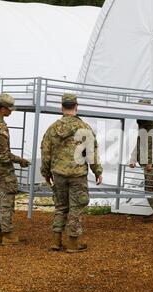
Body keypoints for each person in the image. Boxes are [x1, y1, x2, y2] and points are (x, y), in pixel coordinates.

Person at [41, 93, 103, 253]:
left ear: (62, 107)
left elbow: (45, 152)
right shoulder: (84, 128)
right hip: (77, 174)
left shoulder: (52, 128)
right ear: (76, 106)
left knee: (61, 206)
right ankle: (73, 243)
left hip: (59, 174)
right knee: (76, 207)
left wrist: (46, 172)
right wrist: (97, 171)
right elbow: (92, 153)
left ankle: (56, 241)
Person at [0, 93, 31, 246]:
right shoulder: (0, 127)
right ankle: (7, 235)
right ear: (2, 109)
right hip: (3, 170)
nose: (11, 111)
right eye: (9, 109)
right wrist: (20, 160)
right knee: (7, 202)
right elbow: (2, 155)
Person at [129, 99, 153, 223]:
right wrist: (133, 158)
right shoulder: (145, 125)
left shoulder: (150, 125)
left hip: (152, 163)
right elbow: (139, 143)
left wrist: (151, 162)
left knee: (151, 188)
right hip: (151, 162)